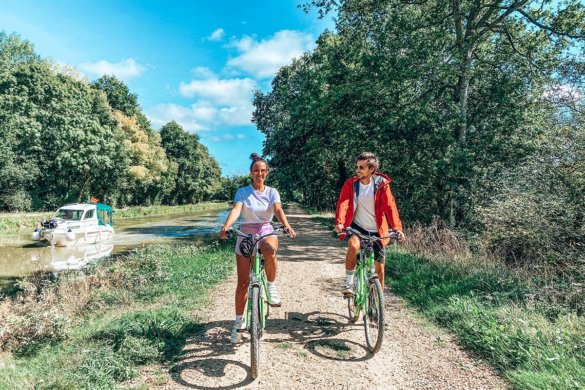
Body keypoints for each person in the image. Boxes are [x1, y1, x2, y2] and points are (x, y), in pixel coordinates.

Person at [219, 153, 297, 343]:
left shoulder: (272, 192)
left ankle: (270, 286)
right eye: (256, 170)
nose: (259, 173)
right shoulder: (243, 192)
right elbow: (237, 209)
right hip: (245, 233)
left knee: (270, 249)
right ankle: (238, 323)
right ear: (251, 173)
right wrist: (227, 226)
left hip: (266, 231)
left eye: (262, 170)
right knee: (243, 283)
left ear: (267, 173)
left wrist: (286, 225)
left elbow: (278, 210)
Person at [334, 152, 405, 294]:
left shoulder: (381, 184)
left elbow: (390, 207)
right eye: (357, 167)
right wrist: (340, 223)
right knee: (353, 245)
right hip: (357, 228)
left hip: (378, 231)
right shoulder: (351, 184)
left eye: (361, 167)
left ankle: (378, 303)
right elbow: (343, 203)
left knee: (380, 269)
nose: (357, 170)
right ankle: (349, 285)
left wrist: (397, 229)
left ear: (371, 169)